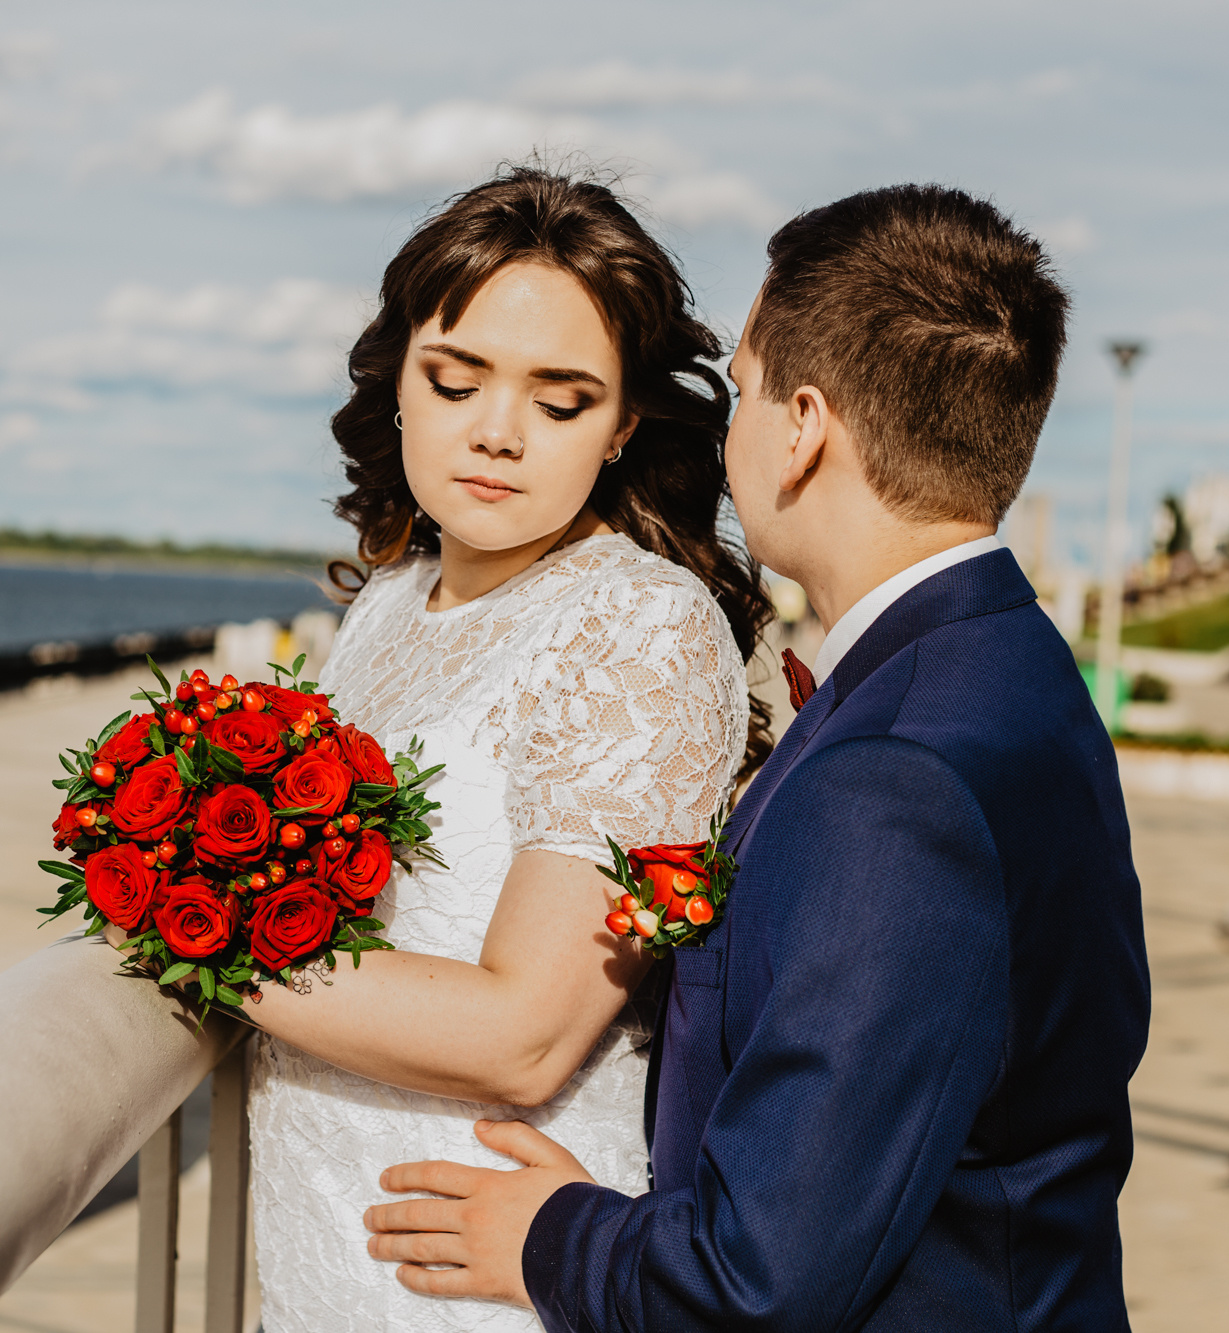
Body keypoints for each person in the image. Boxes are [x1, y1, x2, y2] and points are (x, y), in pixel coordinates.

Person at [364, 184, 1154, 1332]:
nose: (725, 425)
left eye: (738, 390)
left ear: (802, 426)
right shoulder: (1005, 666)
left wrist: (544, 1236)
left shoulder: (895, 779)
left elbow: (763, 1277)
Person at [234, 167, 775, 1333]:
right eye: (454, 378)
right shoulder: (387, 601)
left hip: (477, 1260)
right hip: (315, 1227)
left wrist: (189, 923)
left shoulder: (640, 624)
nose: (494, 432)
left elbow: (523, 1034)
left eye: (560, 399)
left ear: (625, 421)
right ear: (398, 381)